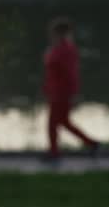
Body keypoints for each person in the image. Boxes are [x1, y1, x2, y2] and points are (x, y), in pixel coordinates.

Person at [42, 17, 100, 161]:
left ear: (60, 33)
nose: (52, 35)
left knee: (53, 123)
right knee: (63, 122)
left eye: (54, 33)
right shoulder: (60, 48)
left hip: (62, 92)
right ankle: (91, 143)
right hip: (56, 90)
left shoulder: (65, 49)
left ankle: (54, 152)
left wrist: (73, 93)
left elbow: (70, 73)